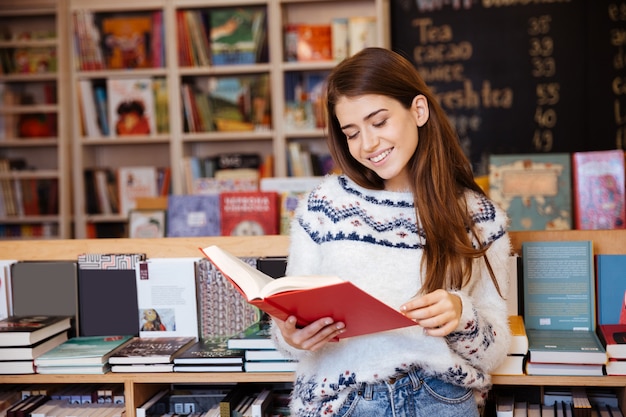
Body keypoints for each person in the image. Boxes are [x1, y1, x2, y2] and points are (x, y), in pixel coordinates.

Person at [270, 47, 512, 417]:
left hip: (440, 399)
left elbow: (494, 352)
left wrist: (461, 315)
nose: (367, 145)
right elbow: (288, 331)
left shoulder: (477, 216)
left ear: (418, 110)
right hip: (341, 403)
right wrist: (291, 336)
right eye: (352, 133)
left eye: (379, 122)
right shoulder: (323, 206)